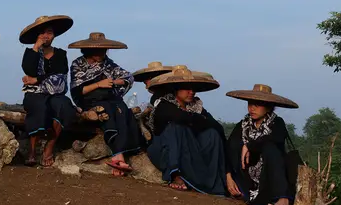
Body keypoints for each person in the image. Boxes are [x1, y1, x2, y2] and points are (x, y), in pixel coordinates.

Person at [69, 32, 143, 176]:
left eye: (103, 50)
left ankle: (119, 156)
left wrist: (113, 82)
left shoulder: (108, 64)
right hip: (90, 100)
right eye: (96, 50)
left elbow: (127, 77)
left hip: (111, 98)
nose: (100, 53)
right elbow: (79, 90)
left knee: (122, 110)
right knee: (107, 110)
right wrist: (98, 84)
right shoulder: (78, 64)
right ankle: (118, 155)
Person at [145, 65, 227, 195]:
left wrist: (197, 120)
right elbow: (180, 117)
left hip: (190, 151)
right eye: (187, 88)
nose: (191, 92)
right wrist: (198, 120)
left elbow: (216, 127)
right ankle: (175, 175)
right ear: (176, 89)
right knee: (177, 126)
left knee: (212, 134)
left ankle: (213, 182)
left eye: (193, 89)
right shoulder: (164, 104)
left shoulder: (196, 107)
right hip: (165, 150)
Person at [225, 84, 299, 205]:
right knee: (236, 145)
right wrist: (228, 176)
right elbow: (229, 149)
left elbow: (274, 139)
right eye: (250, 103)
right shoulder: (243, 125)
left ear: (268, 107)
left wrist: (250, 145)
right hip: (247, 177)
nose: (252, 108)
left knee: (270, 148)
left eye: (257, 104)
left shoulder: (277, 124)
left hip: (270, 177)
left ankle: (283, 199)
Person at [19, 15, 78, 167]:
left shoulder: (60, 54)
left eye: (50, 32)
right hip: (34, 94)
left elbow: (60, 78)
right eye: (42, 33)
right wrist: (36, 47)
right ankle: (32, 151)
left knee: (63, 105)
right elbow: (29, 70)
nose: (46, 36)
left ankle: (49, 147)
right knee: (38, 105)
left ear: (54, 35)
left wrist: (37, 80)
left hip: (56, 94)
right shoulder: (30, 53)